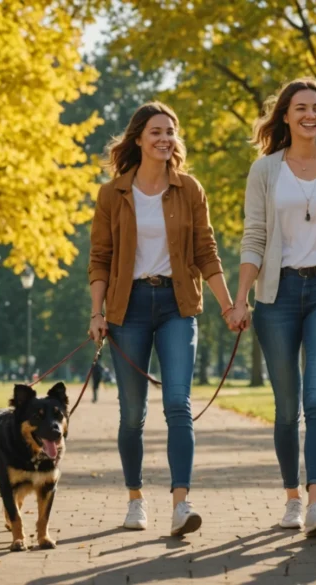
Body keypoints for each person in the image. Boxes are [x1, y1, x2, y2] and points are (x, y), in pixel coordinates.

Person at [88, 102, 240, 537]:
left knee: (178, 404)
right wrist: (96, 314)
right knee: (131, 412)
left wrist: (229, 306)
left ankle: (180, 503)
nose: (164, 138)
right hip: (127, 308)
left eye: (170, 132)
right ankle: (136, 499)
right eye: (155, 131)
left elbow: (206, 252)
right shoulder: (112, 193)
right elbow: (100, 259)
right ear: (138, 138)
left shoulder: (189, 190)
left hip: (177, 305)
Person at [228, 78, 316, 538]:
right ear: (285, 116)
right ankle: (291, 498)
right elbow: (254, 237)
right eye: (301, 108)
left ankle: (315, 503)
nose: (311, 115)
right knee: (287, 406)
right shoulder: (265, 170)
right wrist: (240, 297)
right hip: (277, 296)